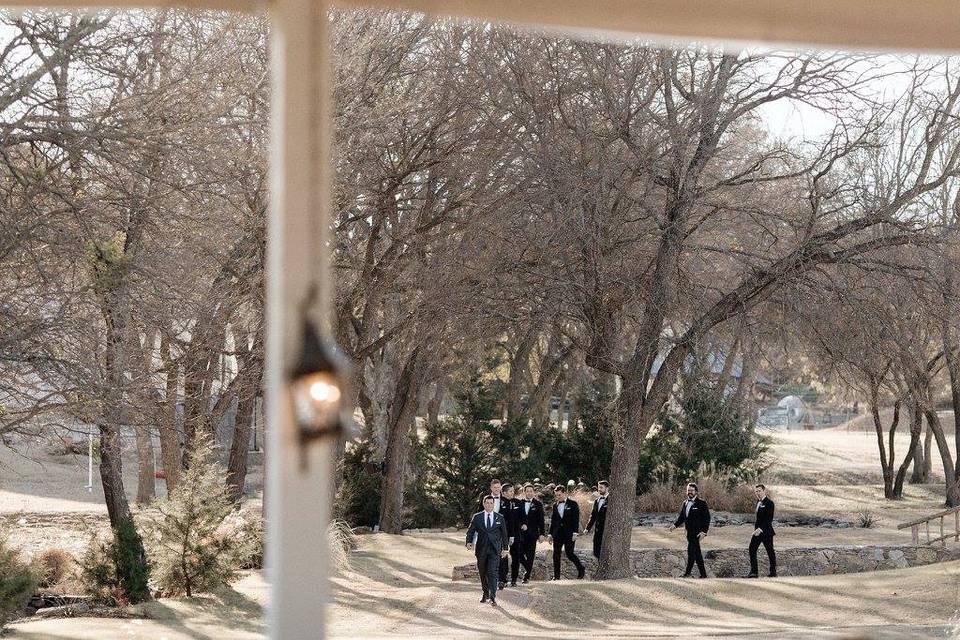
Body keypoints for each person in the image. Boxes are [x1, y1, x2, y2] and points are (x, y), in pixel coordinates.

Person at [465, 495, 510, 606]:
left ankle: (493, 596)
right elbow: (470, 531)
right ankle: (485, 592)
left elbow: (504, 534)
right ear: (484, 504)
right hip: (481, 549)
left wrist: (505, 548)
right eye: (487, 503)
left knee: (492, 572)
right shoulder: (477, 517)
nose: (489, 505)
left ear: (493, 504)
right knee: (483, 572)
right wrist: (469, 541)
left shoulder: (499, 517)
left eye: (491, 503)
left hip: (495, 550)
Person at [668, 482, 710, 578]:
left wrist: (704, 532)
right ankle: (703, 574)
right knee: (697, 554)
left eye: (692, 490)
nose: (690, 492)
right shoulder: (685, 503)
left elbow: (707, 519)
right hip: (688, 533)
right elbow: (682, 518)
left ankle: (687, 574)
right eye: (688, 490)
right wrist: (674, 526)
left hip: (697, 533)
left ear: (696, 492)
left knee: (691, 552)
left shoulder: (702, 503)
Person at [548, 484, 585, 580]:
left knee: (569, 553)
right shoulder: (555, 506)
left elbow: (575, 519)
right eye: (556, 495)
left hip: (569, 533)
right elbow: (553, 521)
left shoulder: (573, 504)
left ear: (564, 493)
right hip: (557, 534)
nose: (557, 497)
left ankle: (581, 568)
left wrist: (575, 533)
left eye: (559, 495)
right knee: (556, 554)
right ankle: (556, 577)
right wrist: (550, 534)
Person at [516, 483, 545, 584]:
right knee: (519, 554)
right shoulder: (519, 503)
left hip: (533, 534)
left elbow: (541, 520)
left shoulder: (538, 504)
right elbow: (516, 518)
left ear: (534, 492)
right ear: (524, 492)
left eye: (531, 491)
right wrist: (520, 526)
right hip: (520, 534)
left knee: (530, 555)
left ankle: (526, 576)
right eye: (527, 491)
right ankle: (528, 568)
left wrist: (542, 534)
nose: (529, 493)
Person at [746, 483, 777, 578]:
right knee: (752, 549)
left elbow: (769, 519)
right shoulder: (758, 503)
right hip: (757, 532)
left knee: (770, 551)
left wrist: (760, 529)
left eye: (759, 491)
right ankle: (754, 572)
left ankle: (773, 572)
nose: (758, 493)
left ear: (764, 491)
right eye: (756, 491)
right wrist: (756, 529)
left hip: (766, 532)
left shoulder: (770, 503)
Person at [499, 483, 522, 588]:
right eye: (510, 491)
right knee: (503, 556)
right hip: (503, 534)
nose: (513, 493)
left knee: (516, 556)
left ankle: (514, 579)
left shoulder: (517, 502)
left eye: (513, 491)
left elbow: (522, 517)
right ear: (504, 493)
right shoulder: (499, 503)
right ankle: (502, 579)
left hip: (516, 533)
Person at [584, 480, 609, 559]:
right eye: (598, 487)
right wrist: (587, 528)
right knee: (596, 551)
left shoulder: (612, 500)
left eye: (601, 487)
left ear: (607, 488)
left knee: (606, 552)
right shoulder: (596, 501)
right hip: (598, 531)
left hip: (607, 531)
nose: (599, 489)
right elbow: (593, 516)